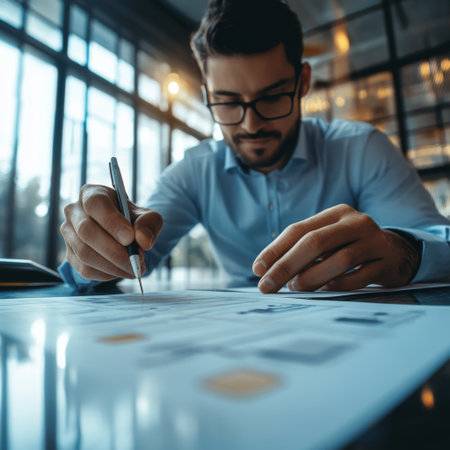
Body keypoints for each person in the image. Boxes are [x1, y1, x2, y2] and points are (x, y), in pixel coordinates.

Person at [59, 0, 450, 293]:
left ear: (303, 83)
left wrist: (403, 250)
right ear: (207, 95)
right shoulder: (193, 173)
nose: (251, 124)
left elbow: (439, 243)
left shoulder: (361, 149)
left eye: (272, 96)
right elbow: (124, 259)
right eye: (227, 101)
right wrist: (94, 248)